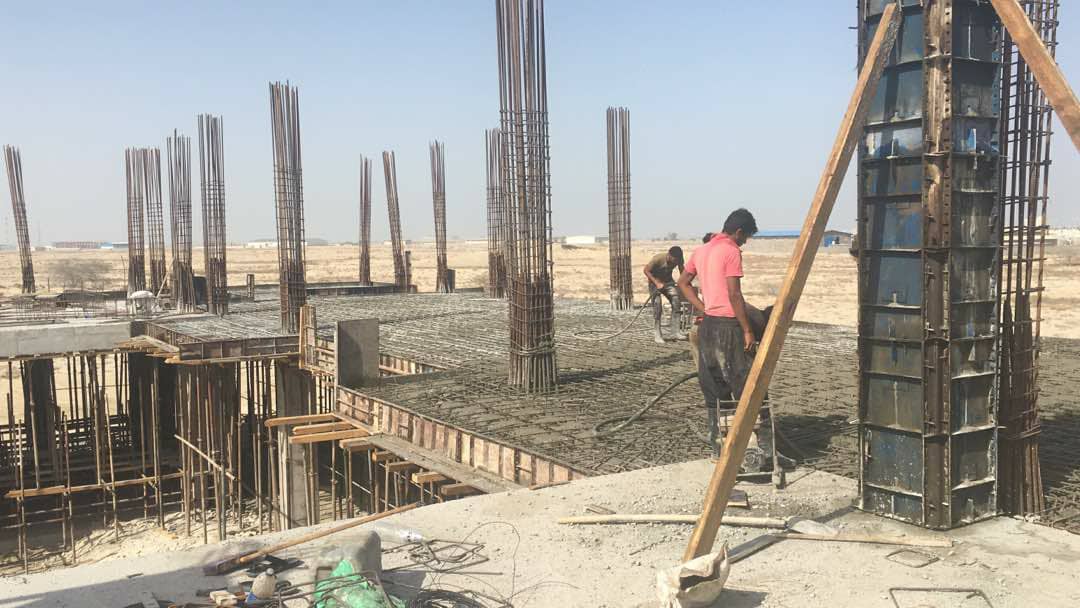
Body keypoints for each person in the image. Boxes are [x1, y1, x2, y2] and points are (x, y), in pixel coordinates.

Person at [677, 209, 771, 459]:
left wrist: (703, 308)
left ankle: (720, 451)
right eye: (745, 237)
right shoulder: (730, 251)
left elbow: (682, 283)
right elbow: (734, 294)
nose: (744, 242)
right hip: (728, 327)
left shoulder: (702, 250)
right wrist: (748, 330)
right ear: (738, 232)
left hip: (707, 327)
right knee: (750, 388)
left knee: (716, 390)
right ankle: (762, 451)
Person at [643, 246, 685, 344]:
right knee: (657, 306)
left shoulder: (679, 259)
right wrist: (656, 283)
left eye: (677, 260)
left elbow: (682, 270)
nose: (675, 262)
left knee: (676, 302)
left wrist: (684, 282)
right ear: (669, 255)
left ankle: (675, 331)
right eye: (674, 259)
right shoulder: (658, 259)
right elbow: (646, 270)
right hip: (655, 283)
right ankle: (657, 334)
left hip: (668, 282)